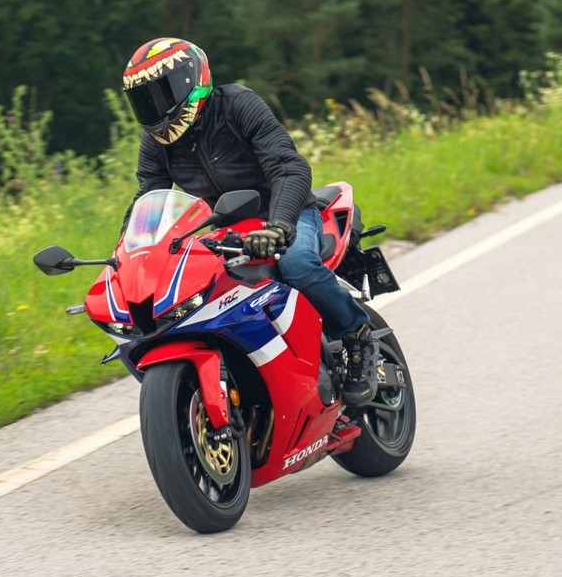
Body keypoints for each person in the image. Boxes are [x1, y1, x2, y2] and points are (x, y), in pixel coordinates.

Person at [120, 37, 377, 405]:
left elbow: (289, 167)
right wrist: (129, 256)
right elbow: (148, 199)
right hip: (223, 225)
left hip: (285, 212)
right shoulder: (156, 143)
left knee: (298, 264)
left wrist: (279, 226)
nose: (156, 109)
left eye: (163, 93)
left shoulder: (237, 104)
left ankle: (356, 335)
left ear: (193, 80)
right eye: (145, 100)